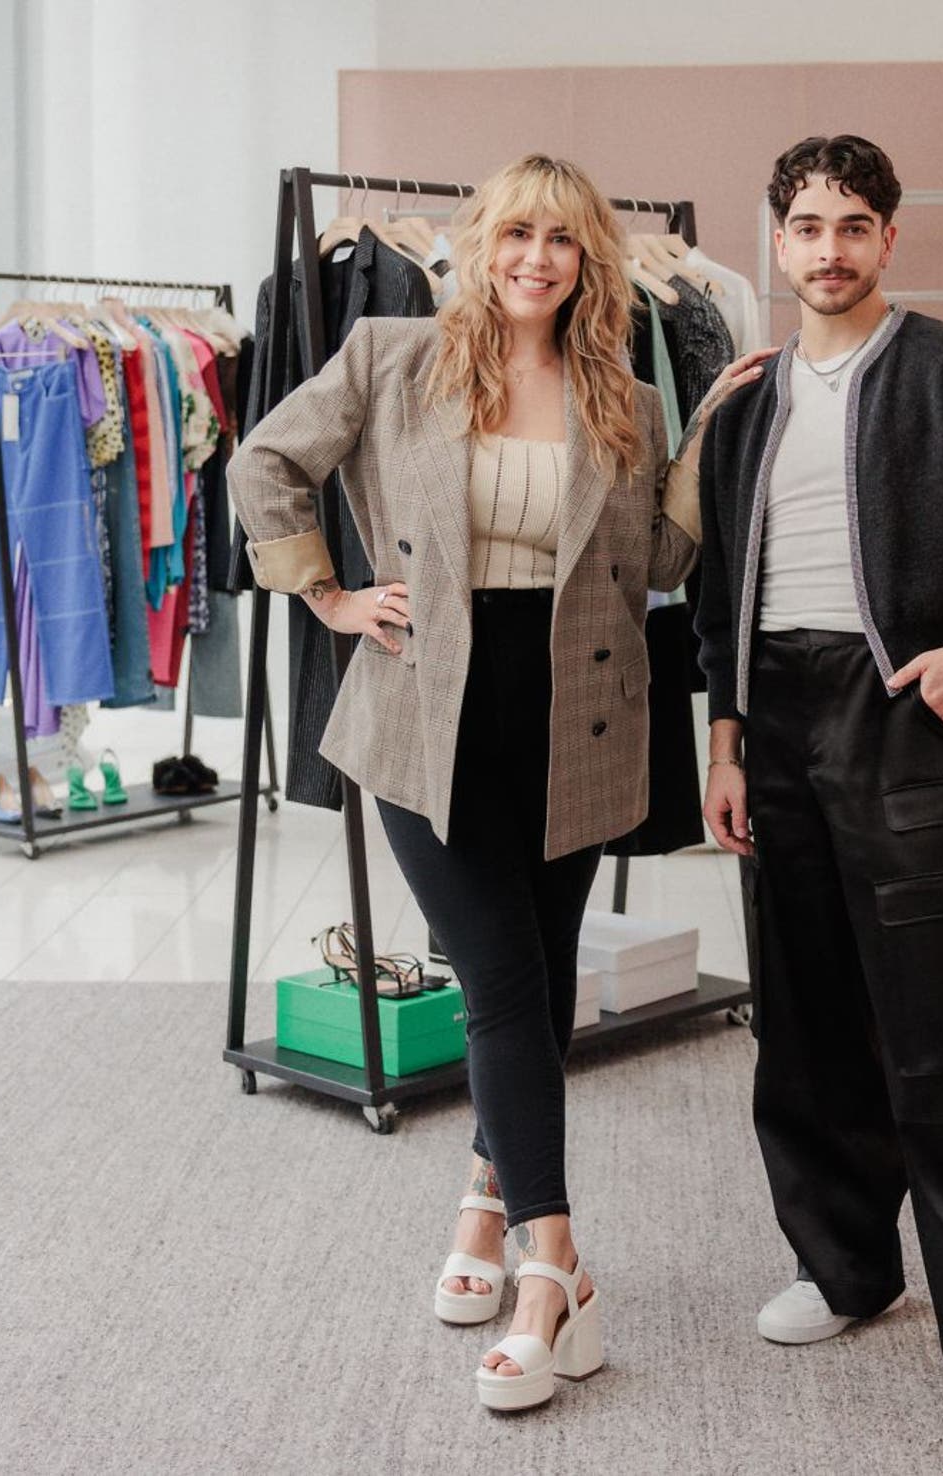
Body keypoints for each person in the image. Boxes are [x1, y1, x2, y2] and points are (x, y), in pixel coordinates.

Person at [227, 153, 763, 1412]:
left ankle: (482, 1200)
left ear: (591, 262)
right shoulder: (390, 353)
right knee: (504, 990)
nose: (536, 257)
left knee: (535, 978)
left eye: (562, 241)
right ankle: (554, 1269)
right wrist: (329, 594)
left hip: (578, 717)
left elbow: (661, 560)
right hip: (427, 716)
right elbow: (263, 465)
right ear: (479, 245)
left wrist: (710, 438)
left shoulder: (622, 390)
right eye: (516, 233)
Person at [691, 135, 943, 1445]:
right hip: (773, 724)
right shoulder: (742, 398)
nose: (831, 248)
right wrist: (726, 740)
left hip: (896, 709)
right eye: (807, 225)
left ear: (889, 240)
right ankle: (844, 1267)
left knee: (939, 1034)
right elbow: (708, 591)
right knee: (800, 1023)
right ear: (778, 239)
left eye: (855, 224)